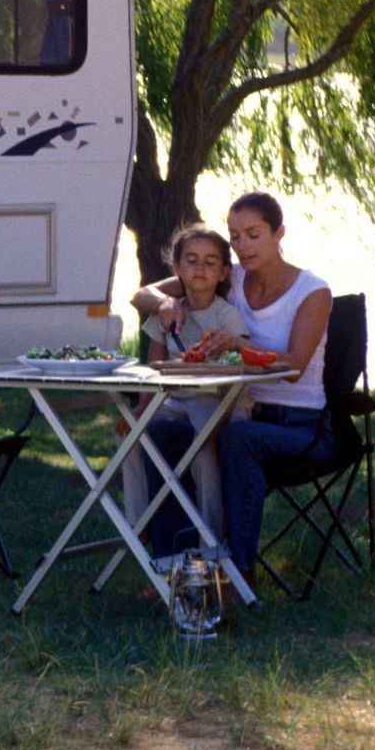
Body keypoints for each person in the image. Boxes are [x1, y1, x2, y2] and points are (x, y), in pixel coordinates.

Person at [131, 192, 332, 581]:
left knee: (235, 439)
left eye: (253, 234)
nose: (242, 246)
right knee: (163, 433)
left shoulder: (312, 292)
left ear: (279, 234)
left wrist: (237, 343)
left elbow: (294, 365)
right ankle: (174, 563)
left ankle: (236, 572)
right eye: (235, 236)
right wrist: (163, 306)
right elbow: (143, 294)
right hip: (235, 406)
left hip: (298, 423)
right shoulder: (231, 275)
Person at [117, 224, 249, 545]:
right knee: (130, 437)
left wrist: (221, 425)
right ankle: (139, 522)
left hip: (216, 400)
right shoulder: (167, 313)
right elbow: (156, 367)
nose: (200, 268)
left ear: (223, 272)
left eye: (209, 261)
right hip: (174, 399)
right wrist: (141, 408)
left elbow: (238, 369)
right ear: (177, 269)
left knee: (205, 450)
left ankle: (212, 537)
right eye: (191, 260)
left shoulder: (226, 316)